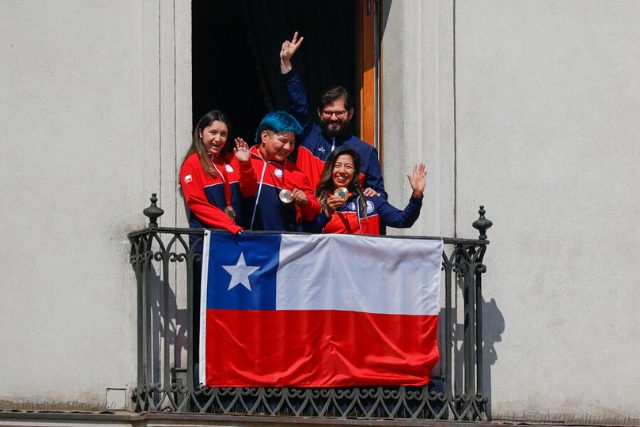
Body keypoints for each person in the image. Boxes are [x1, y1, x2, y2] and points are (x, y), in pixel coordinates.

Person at [279, 32, 387, 199]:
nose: (334, 118)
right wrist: (286, 64)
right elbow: (298, 103)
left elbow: (380, 196)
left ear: (350, 113)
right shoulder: (309, 135)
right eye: (328, 113)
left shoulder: (366, 151)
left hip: (344, 224)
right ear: (319, 113)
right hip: (307, 220)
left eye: (339, 113)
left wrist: (375, 194)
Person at [305, 147, 425, 235]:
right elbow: (304, 234)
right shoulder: (317, 200)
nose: (342, 171)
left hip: (364, 267)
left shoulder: (370, 199)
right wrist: (327, 213)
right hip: (330, 266)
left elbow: (403, 220)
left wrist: (417, 195)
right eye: (337, 166)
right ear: (330, 170)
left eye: (348, 166)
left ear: (355, 173)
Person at [180, 110, 258, 246]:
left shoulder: (232, 159)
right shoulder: (192, 163)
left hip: (234, 236)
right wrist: (228, 224)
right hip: (207, 240)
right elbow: (197, 203)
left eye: (223, 134)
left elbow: (249, 191)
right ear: (200, 133)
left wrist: (245, 164)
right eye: (213, 132)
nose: (218, 139)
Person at [244, 111, 321, 231]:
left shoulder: (296, 174)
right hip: (239, 243)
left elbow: (314, 211)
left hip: (278, 245)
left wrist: (305, 202)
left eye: (292, 143)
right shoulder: (242, 161)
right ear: (264, 136)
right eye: (283, 141)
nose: (288, 148)